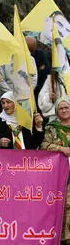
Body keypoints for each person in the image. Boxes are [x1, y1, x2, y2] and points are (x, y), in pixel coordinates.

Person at [41, 97, 70, 244]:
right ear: (57, 112)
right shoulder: (52, 127)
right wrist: (61, 148)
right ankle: (63, 237)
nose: (64, 110)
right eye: (61, 108)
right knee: (64, 204)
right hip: (60, 173)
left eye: (67, 107)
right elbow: (45, 145)